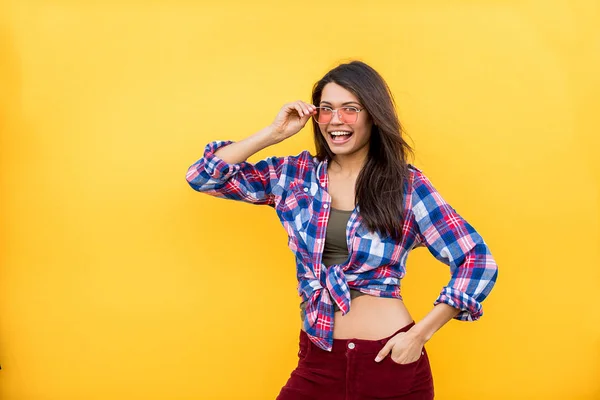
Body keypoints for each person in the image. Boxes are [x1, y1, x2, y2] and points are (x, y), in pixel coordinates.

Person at [186, 60, 498, 400]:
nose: (336, 119)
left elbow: (476, 260)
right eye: (326, 109)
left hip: (389, 360)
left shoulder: (405, 185)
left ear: (373, 115)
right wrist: (273, 134)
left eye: (350, 109)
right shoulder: (295, 177)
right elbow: (204, 176)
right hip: (318, 358)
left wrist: (419, 336)